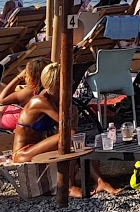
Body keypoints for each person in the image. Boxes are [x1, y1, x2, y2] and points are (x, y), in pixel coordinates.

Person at [11, 63, 119, 197]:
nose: (73, 81)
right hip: (23, 153)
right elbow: (66, 128)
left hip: (38, 147)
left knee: (75, 140)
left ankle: (99, 181)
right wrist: (72, 114)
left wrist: (72, 112)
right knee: (71, 137)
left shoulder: (55, 99)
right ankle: (69, 186)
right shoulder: (40, 101)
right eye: (68, 79)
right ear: (58, 82)